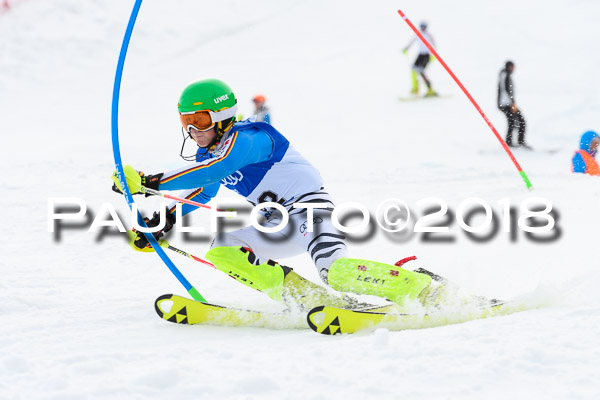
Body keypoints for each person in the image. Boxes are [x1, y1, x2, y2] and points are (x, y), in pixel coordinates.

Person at [112, 79, 441, 310]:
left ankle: (423, 289)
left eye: (199, 119)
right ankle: (309, 299)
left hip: (309, 212)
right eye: (187, 120)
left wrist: (148, 181)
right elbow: (204, 190)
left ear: (223, 116)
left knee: (336, 273)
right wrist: (167, 219)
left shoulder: (250, 137)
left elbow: (216, 169)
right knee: (223, 250)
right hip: (275, 223)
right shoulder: (208, 155)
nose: (193, 129)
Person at [498, 61, 529, 148]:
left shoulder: (505, 75)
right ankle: (517, 142)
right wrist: (512, 103)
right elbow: (506, 90)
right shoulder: (505, 75)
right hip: (506, 103)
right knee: (519, 121)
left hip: (507, 103)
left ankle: (512, 142)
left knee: (514, 121)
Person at [402, 21, 437, 97]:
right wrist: (406, 48)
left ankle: (430, 89)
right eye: (422, 26)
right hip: (420, 55)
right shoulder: (418, 34)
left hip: (426, 55)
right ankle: (415, 88)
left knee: (421, 71)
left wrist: (434, 55)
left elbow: (434, 44)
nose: (423, 28)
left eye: (424, 27)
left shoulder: (429, 35)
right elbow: (412, 42)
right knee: (413, 69)